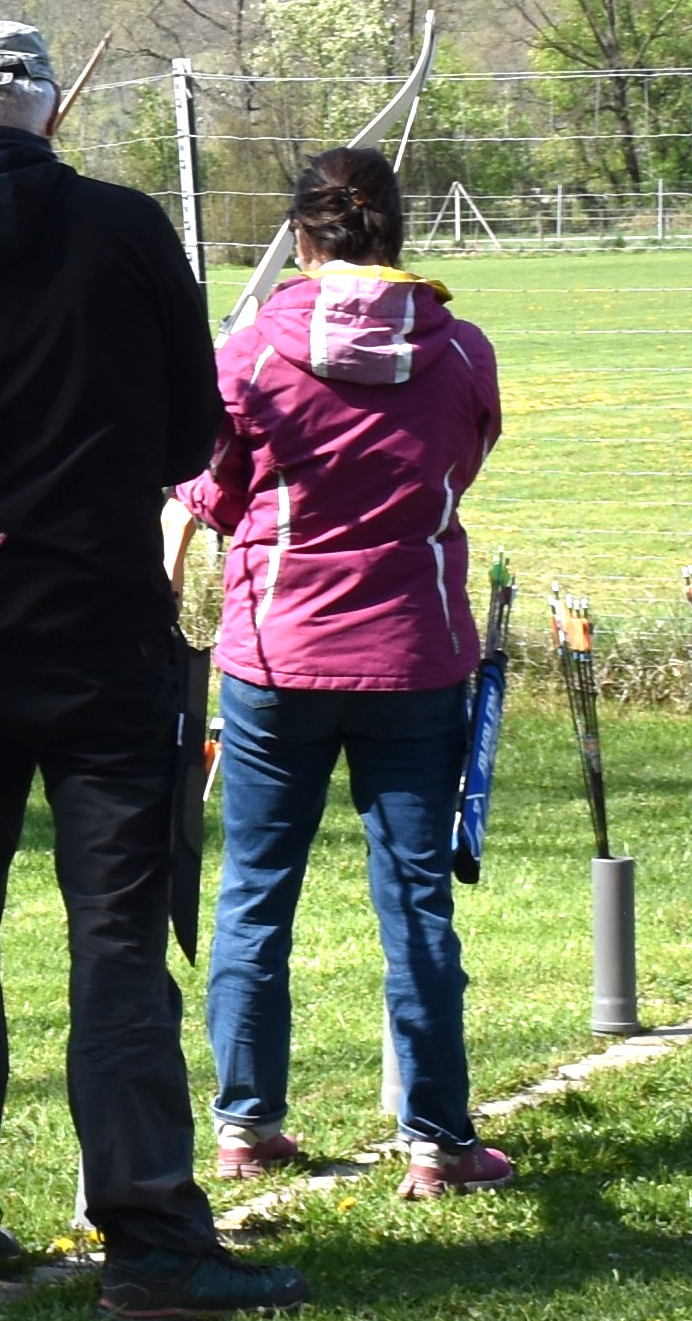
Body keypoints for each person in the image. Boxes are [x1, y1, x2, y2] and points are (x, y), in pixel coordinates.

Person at [0, 20, 306, 1321]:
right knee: (115, 929)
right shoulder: (127, 230)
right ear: (45, 113)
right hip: (99, 634)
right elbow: (188, 436)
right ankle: (147, 1237)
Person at [174, 146, 511, 1198]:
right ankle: (438, 1143)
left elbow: (211, 488)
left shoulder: (248, 354)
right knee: (416, 900)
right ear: (397, 231)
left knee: (254, 894)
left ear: (301, 238)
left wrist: (226, 505)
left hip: (277, 659)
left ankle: (245, 1126)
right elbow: (458, 465)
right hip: (412, 656)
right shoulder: (460, 352)